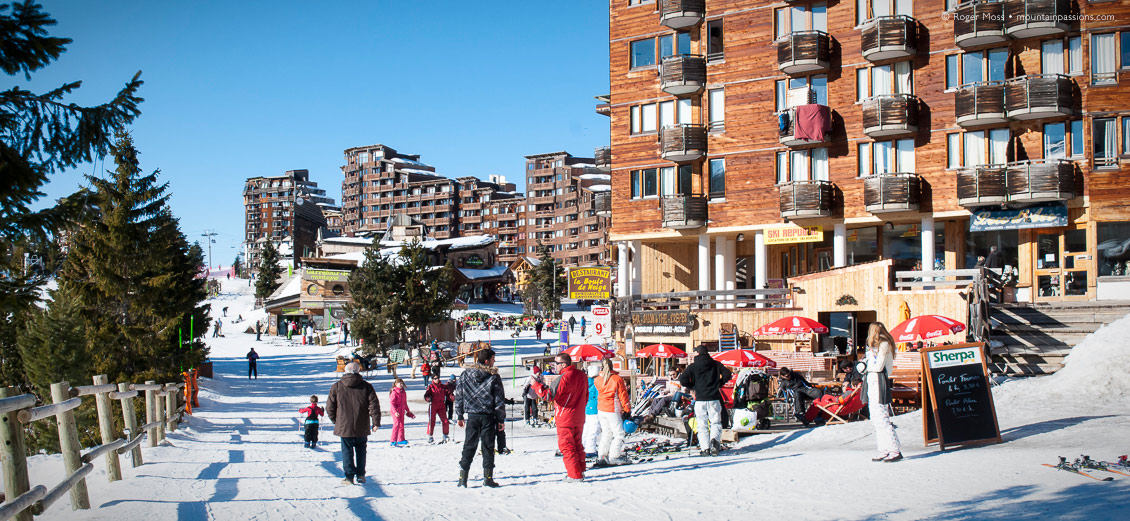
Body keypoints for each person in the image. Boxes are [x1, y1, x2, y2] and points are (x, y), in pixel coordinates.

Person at [455, 348, 506, 488]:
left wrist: (459, 414)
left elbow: (459, 395)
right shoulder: (494, 377)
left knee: (469, 446)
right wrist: (501, 419)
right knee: (488, 447)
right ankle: (488, 478)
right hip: (488, 416)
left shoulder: (465, 375)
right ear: (486, 361)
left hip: (472, 415)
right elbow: (499, 400)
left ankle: (462, 478)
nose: (494, 361)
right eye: (493, 359)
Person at [326, 362, 382, 485]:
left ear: (345, 371)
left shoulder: (336, 386)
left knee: (346, 451)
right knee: (361, 450)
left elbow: (330, 407)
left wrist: (336, 421)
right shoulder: (366, 386)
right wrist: (376, 422)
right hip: (361, 424)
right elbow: (374, 405)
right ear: (358, 371)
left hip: (344, 425)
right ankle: (361, 474)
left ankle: (349, 476)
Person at [679, 346, 732, 456]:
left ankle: (705, 448)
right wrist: (719, 383)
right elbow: (728, 374)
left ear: (697, 353)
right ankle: (714, 441)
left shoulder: (693, 366)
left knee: (702, 424)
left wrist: (693, 387)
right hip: (714, 398)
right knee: (715, 422)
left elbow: (683, 380)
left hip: (700, 399)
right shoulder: (715, 364)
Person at [864, 322, 902, 462]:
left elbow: (879, 366)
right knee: (875, 418)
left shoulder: (884, 345)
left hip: (879, 382)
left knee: (882, 416)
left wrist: (868, 366)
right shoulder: (876, 347)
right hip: (872, 381)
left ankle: (894, 449)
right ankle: (884, 449)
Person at [549, 353, 588, 482]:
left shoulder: (564, 377)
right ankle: (580, 469)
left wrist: (536, 386)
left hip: (565, 416)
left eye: (556, 363)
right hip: (578, 415)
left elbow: (549, 395)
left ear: (563, 364)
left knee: (567, 445)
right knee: (577, 444)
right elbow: (585, 395)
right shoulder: (582, 375)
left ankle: (574, 474)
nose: (555, 365)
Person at [594, 358, 631, 465]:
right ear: (612, 366)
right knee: (618, 433)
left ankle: (602, 455)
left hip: (601, 408)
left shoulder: (597, 380)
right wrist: (627, 409)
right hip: (612, 408)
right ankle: (614, 456)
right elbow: (623, 396)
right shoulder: (616, 379)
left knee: (606, 433)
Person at [581, 364, 601, 456]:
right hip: (595, 408)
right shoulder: (597, 383)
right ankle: (590, 449)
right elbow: (599, 397)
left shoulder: (586, 382)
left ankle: (583, 445)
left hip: (587, 407)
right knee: (594, 429)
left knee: (587, 428)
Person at [389, 378, 415, 447]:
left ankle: (400, 439)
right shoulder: (394, 392)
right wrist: (395, 412)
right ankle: (393, 440)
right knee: (396, 424)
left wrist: (409, 412)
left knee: (401, 425)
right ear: (395, 384)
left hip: (402, 410)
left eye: (402, 383)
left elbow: (404, 403)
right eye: (399, 383)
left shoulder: (403, 392)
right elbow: (392, 403)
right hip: (395, 411)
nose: (401, 385)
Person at [425, 375, 451, 443]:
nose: (436, 379)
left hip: (441, 405)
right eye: (435, 378)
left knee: (445, 420)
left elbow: (448, 393)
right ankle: (430, 435)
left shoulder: (443, 386)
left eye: (437, 378)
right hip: (433, 405)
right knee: (432, 421)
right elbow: (426, 394)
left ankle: (445, 434)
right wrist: (428, 398)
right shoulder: (430, 387)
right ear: (432, 379)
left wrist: (451, 397)